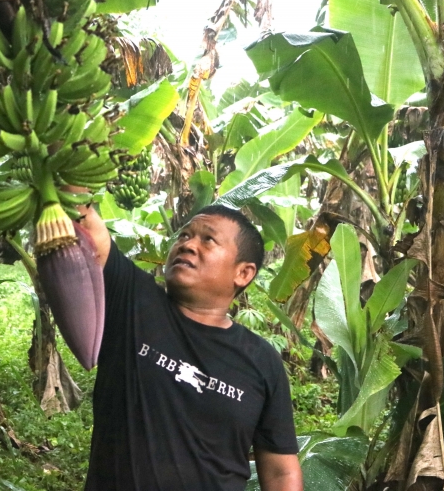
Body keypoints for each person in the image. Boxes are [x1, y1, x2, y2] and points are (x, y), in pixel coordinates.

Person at [75, 200, 303, 490]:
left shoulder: (261, 360)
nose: (188, 245)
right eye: (184, 235)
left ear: (243, 273)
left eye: (208, 239)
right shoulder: (133, 302)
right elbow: (83, 218)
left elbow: (281, 471)